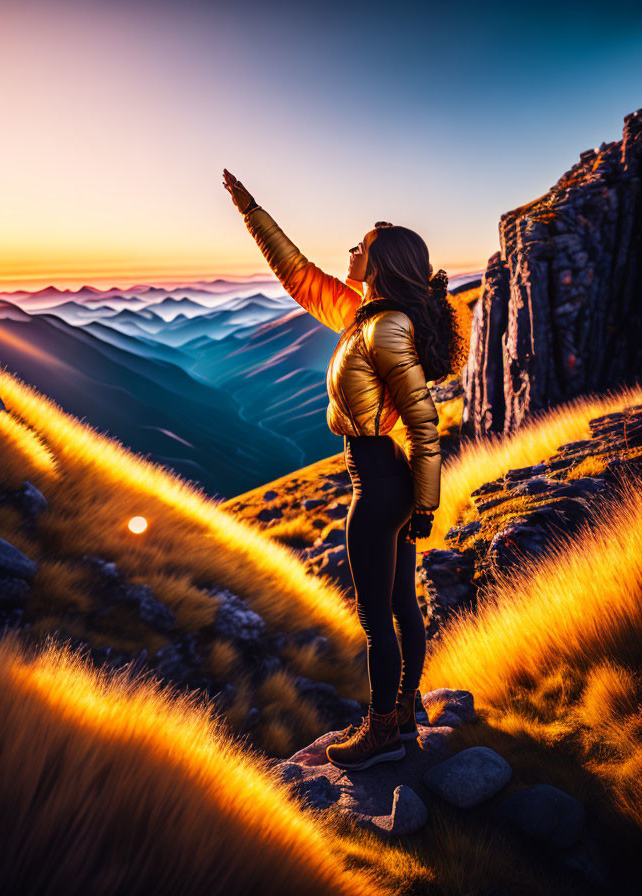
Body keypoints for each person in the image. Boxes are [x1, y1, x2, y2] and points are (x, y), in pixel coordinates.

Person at [222, 169, 469, 771]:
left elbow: (424, 422)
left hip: (380, 485)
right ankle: (404, 712)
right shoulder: (366, 313)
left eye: (361, 247)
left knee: (378, 617)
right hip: (389, 482)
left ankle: (382, 730)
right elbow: (298, 274)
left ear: (380, 260)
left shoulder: (384, 328)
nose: (352, 252)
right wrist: (252, 210)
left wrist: (427, 505)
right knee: (401, 606)